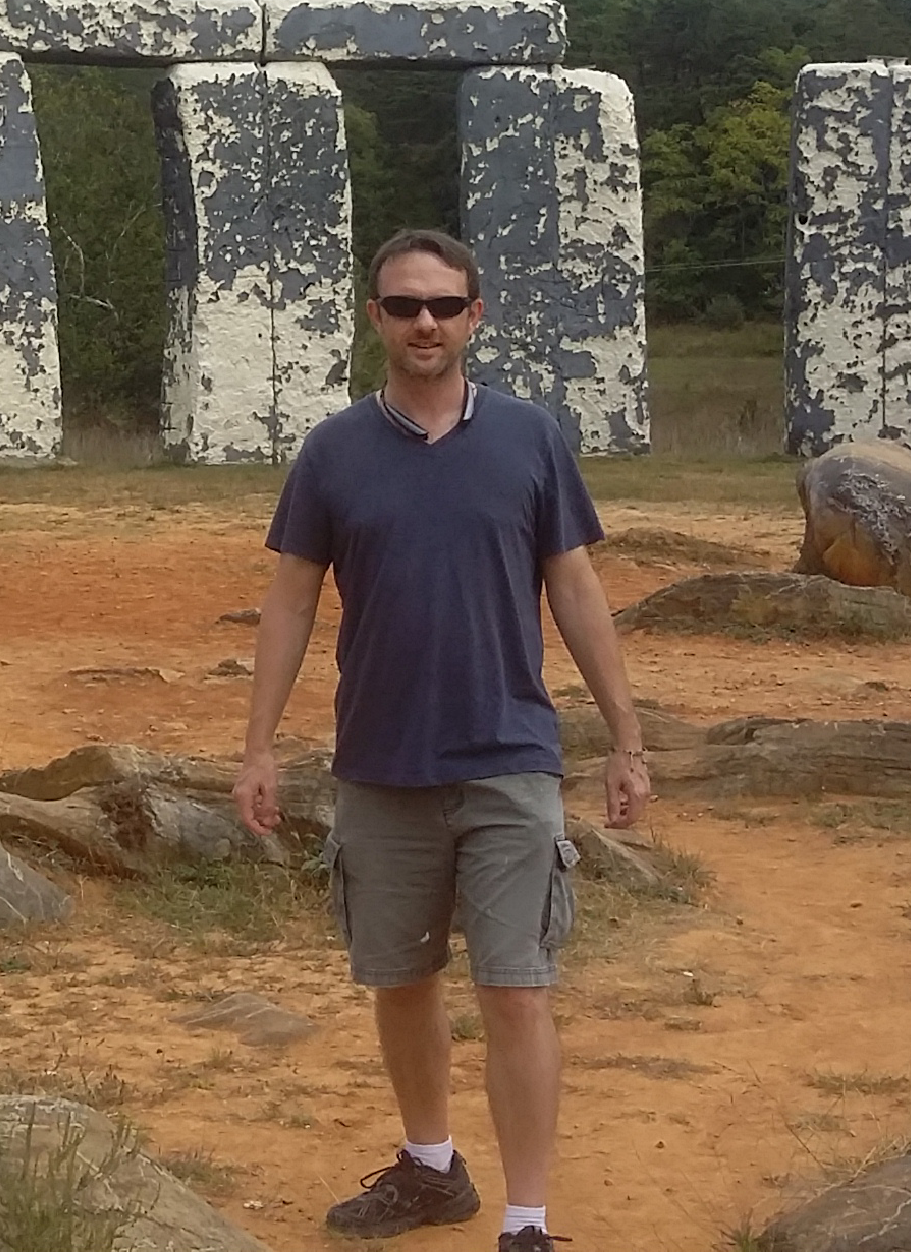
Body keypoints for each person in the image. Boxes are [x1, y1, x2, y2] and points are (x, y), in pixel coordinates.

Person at [233, 227, 652, 1252]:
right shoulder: (332, 449)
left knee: (515, 988)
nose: (426, 321)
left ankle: (527, 1219)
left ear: (476, 316)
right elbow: (289, 603)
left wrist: (625, 738)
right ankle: (429, 1167)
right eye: (404, 304)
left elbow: (575, 586)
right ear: (374, 316)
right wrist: (256, 747)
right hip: (379, 759)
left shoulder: (529, 437)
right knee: (401, 977)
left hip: (508, 753)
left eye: (444, 305)